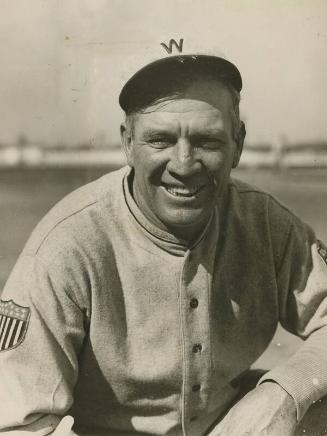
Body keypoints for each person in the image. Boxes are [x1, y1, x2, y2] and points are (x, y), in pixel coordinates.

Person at [0, 38, 327, 436]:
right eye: (161, 140)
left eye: (207, 141)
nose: (184, 164)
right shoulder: (67, 246)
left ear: (238, 144)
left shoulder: (265, 222)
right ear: (127, 143)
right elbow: (18, 424)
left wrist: (285, 394)